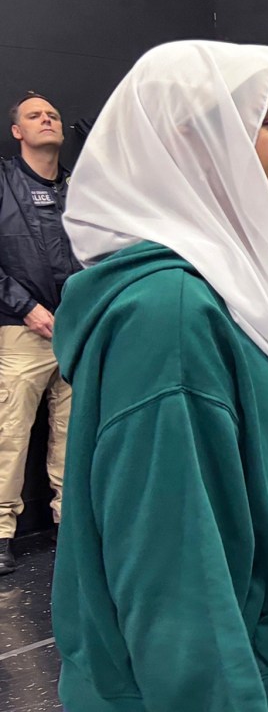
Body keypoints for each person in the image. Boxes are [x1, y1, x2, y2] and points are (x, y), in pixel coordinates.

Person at [51, 40, 268, 710]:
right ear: (194, 140)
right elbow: (175, 582)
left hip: (248, 666)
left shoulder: (220, 293)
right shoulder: (173, 313)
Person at [0, 91, 80, 572]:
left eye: (53, 113)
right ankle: (0, 534)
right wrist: (25, 306)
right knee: (9, 435)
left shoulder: (79, 189)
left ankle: (71, 526)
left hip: (76, 329)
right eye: (35, 115)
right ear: (18, 132)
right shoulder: (3, 182)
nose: (47, 119)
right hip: (21, 330)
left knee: (74, 436)